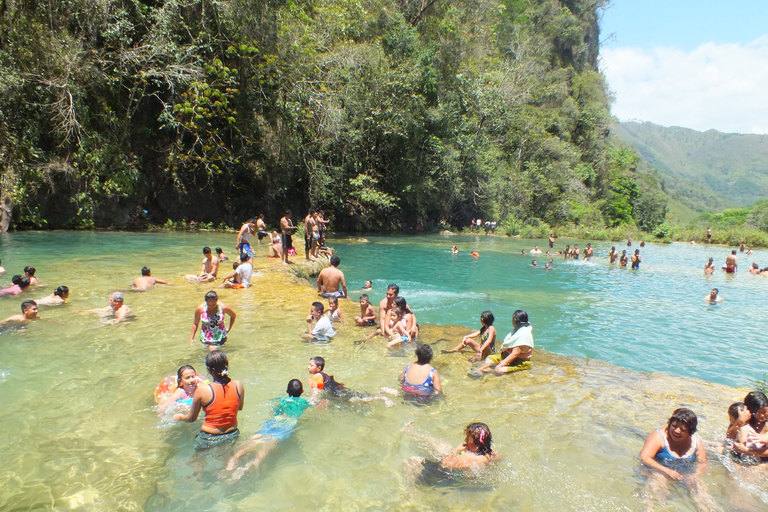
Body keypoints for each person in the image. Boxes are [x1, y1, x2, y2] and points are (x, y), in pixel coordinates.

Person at [225, 379, 312, 479]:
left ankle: (231, 464)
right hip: (286, 425)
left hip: (274, 422)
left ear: (286, 390)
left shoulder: (282, 400)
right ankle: (256, 462)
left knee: (255, 438)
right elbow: (313, 403)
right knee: (269, 443)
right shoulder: (303, 402)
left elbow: (274, 410)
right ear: (302, 391)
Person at [639, 408, 716, 511]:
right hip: (659, 469)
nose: (676, 431)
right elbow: (645, 457)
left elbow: (703, 462)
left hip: (684, 472)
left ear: (690, 432)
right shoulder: (659, 437)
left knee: (699, 487)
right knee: (658, 480)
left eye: (683, 430)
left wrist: (696, 475)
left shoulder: (696, 442)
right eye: (674, 426)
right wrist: (667, 471)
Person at [174, 350, 244, 450]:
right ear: (226, 366)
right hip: (232, 433)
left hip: (209, 437)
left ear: (209, 370)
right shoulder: (238, 385)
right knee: (228, 461)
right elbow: (239, 407)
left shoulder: (202, 389)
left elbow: (191, 419)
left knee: (196, 462)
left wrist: (179, 417)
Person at [402, 422, 500, 485]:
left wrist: (455, 451)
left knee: (410, 462)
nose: (465, 439)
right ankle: (415, 435)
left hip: (451, 478)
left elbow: (445, 464)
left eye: (468, 438)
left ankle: (411, 490)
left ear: (475, 442)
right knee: (441, 445)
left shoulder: (468, 458)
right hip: (463, 471)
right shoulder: (492, 453)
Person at [477, 309, 532, 374]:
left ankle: (482, 370)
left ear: (514, 320)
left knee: (499, 370)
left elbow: (515, 354)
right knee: (489, 359)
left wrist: (501, 364)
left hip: (520, 361)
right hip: (506, 355)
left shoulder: (523, 334)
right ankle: (481, 369)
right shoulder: (519, 330)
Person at [732, 391, 768, 463]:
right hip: (748, 453)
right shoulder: (746, 420)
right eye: (756, 413)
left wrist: (748, 451)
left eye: (764, 412)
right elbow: (728, 438)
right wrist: (739, 422)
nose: (761, 416)